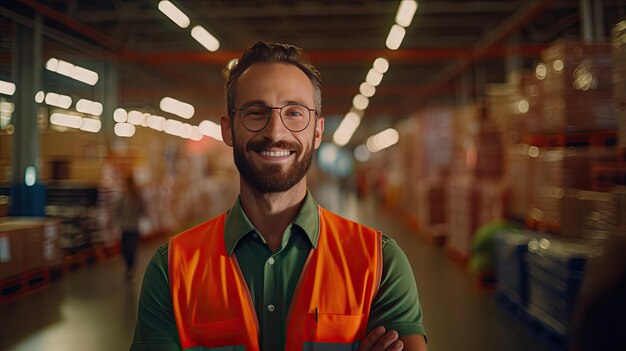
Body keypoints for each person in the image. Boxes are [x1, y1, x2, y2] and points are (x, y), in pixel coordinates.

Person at [131, 41, 427, 351]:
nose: (275, 131)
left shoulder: (379, 263)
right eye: (256, 113)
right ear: (228, 129)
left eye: (294, 113)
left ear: (316, 131)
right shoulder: (173, 268)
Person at [117, 175, 145, 280]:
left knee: (132, 249)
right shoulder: (122, 198)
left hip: (133, 227)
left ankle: (131, 269)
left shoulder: (137, 197)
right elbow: (118, 211)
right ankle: (128, 267)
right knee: (125, 249)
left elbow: (143, 209)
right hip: (125, 227)